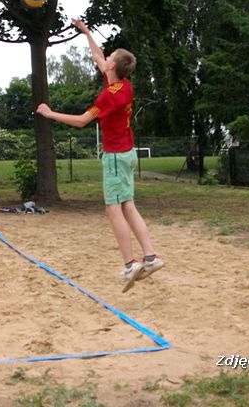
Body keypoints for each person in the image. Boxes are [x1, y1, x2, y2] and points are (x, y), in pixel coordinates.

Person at [36, 18, 164, 292]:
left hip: (116, 157)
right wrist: (86, 32)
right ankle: (151, 257)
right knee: (128, 205)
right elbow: (97, 56)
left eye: (109, 58)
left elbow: (82, 120)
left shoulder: (109, 95)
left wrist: (49, 114)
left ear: (113, 67)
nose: (104, 58)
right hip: (127, 154)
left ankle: (131, 263)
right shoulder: (123, 86)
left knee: (113, 209)